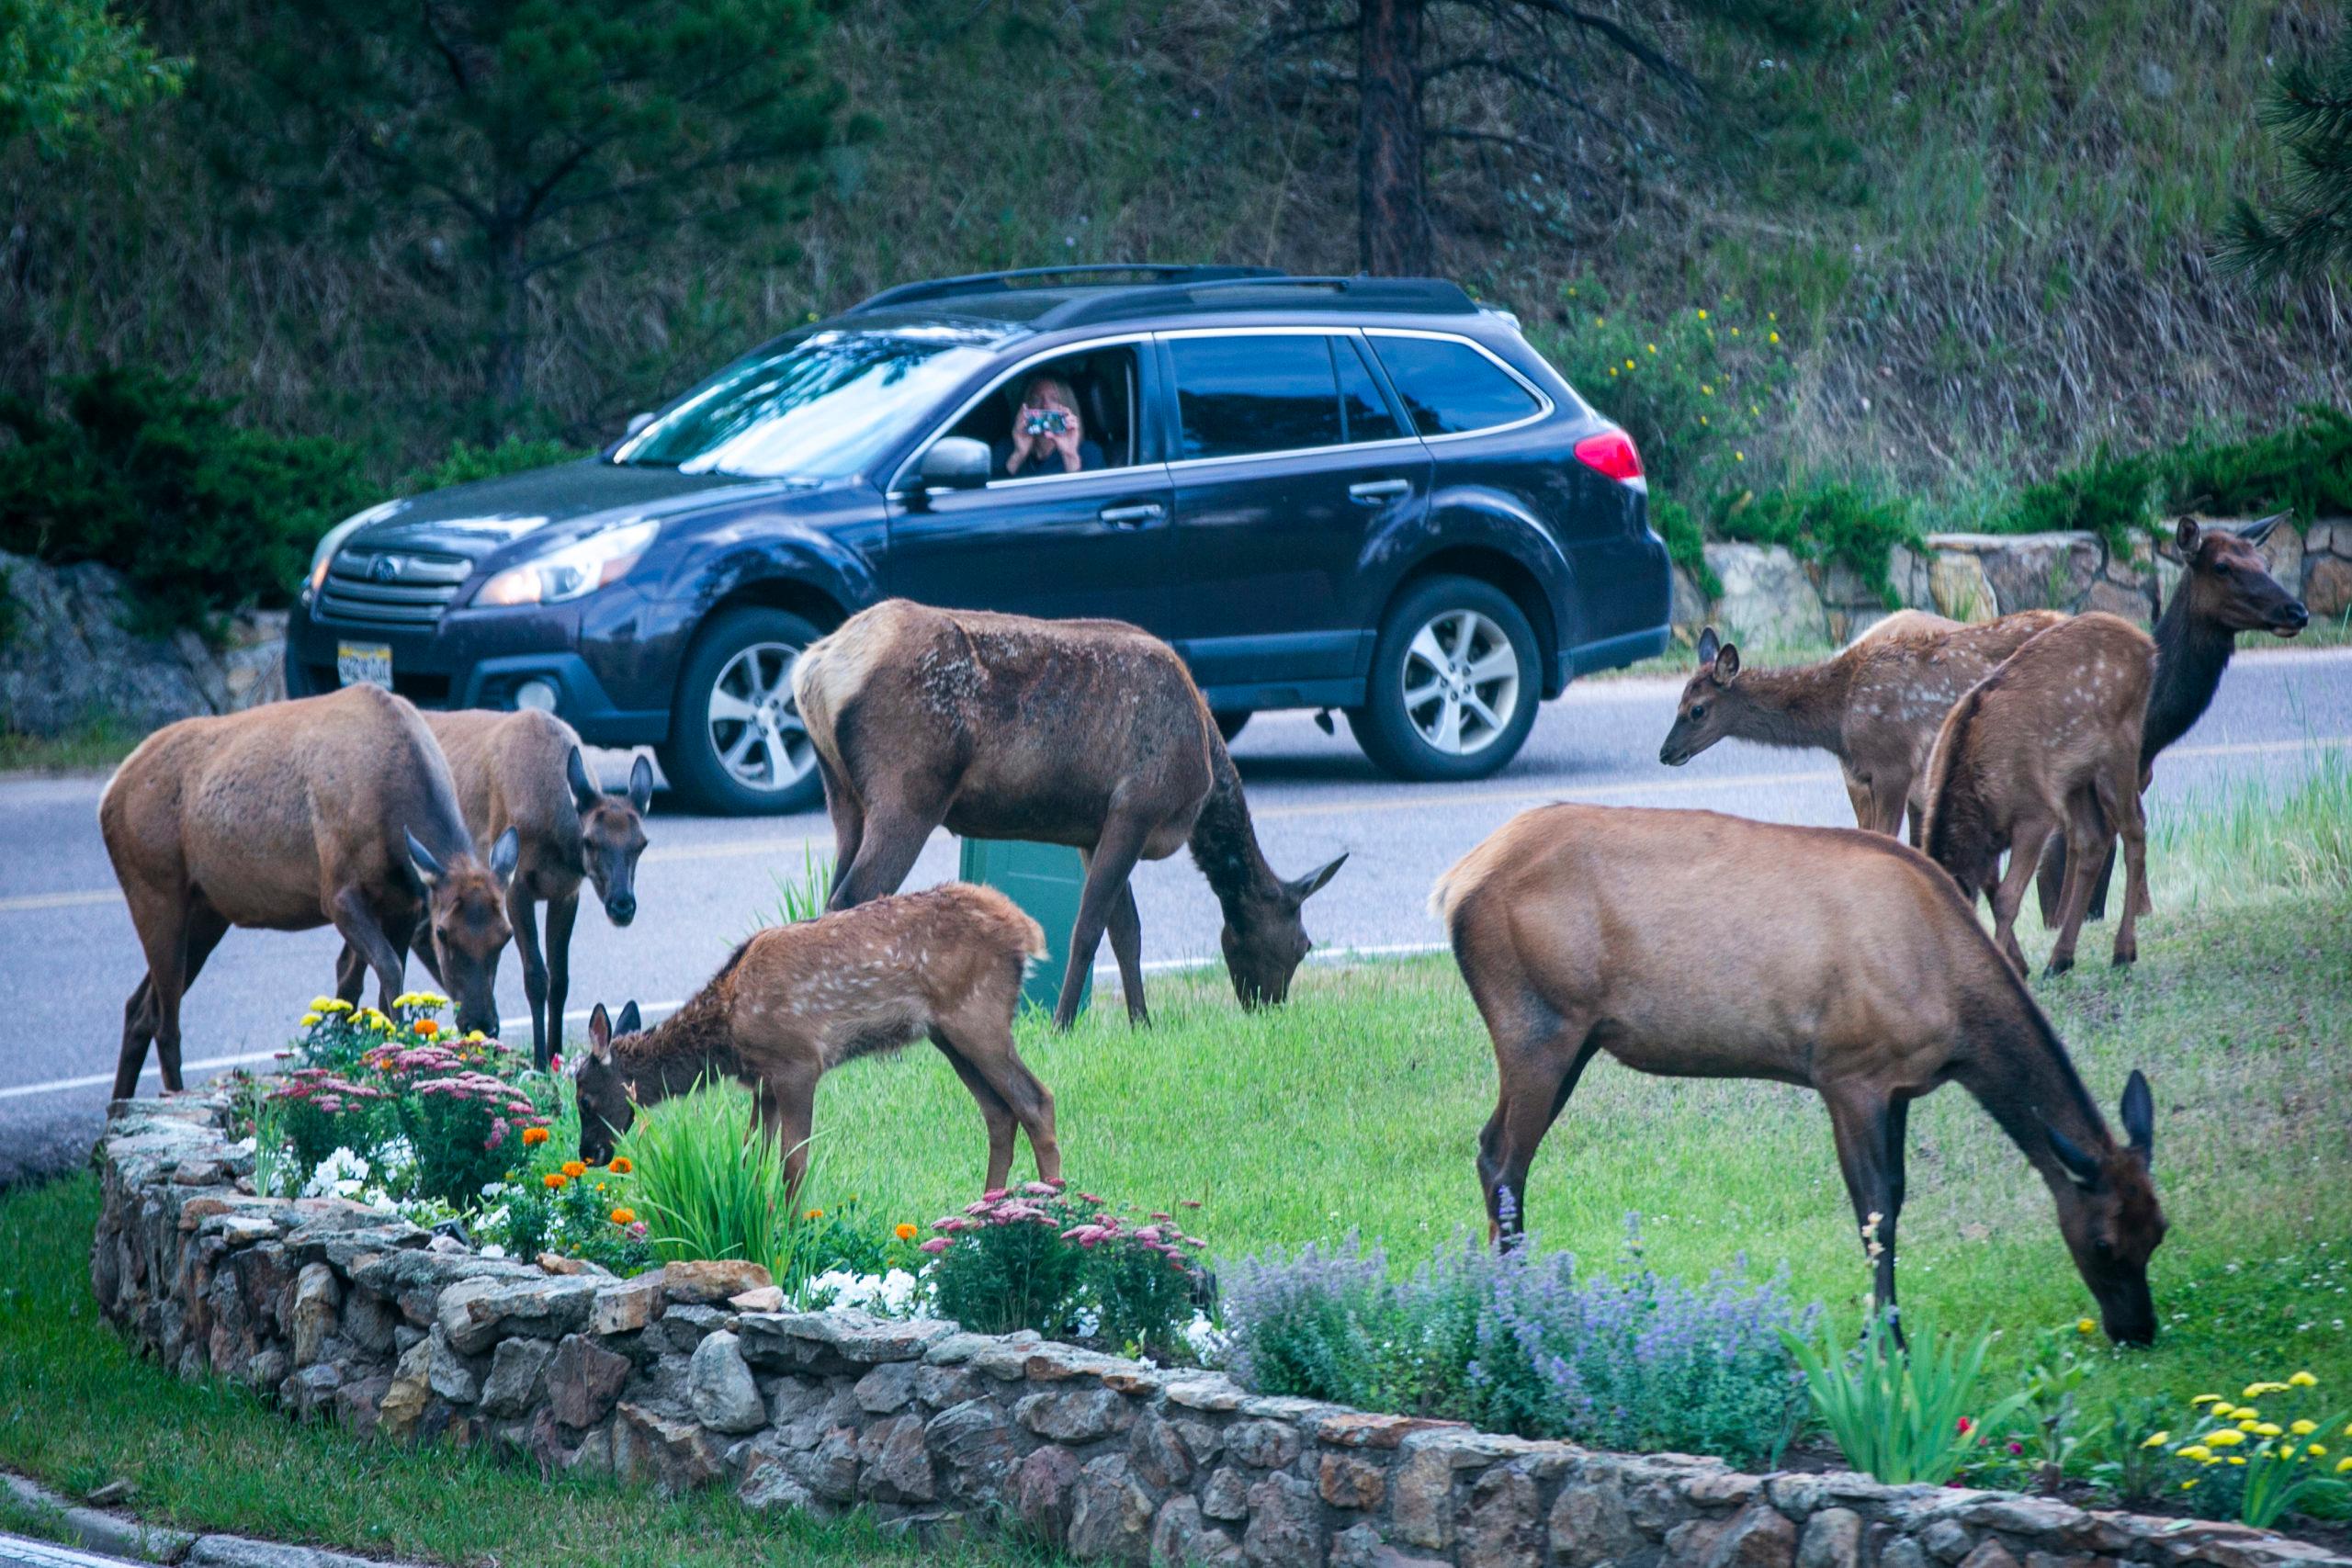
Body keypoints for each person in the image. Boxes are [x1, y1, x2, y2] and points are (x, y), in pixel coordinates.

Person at [993, 373, 1104, 477]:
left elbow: (1090, 496)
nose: (1045, 406)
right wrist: (1018, 455)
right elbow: (988, 495)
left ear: (1067, 406)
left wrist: (1070, 456)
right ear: (1025, 408)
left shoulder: (1089, 453)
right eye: (1036, 399)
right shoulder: (1005, 449)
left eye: (1054, 400)